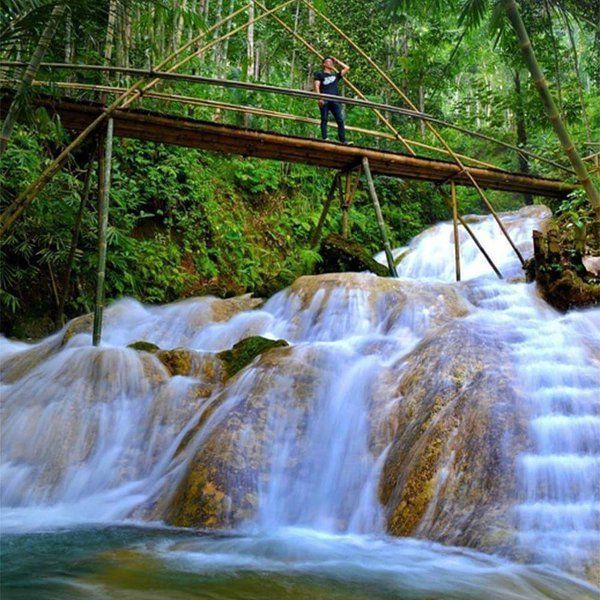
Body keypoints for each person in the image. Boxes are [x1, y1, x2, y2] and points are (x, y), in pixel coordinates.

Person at [314, 56, 351, 143]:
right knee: (324, 119)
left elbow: (347, 68)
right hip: (325, 99)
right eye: (328, 62)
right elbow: (316, 86)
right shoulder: (319, 74)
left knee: (340, 120)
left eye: (331, 62)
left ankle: (343, 140)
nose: (330, 63)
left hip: (335, 99)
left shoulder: (335, 75)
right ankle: (325, 138)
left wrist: (337, 61)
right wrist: (319, 98)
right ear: (324, 64)